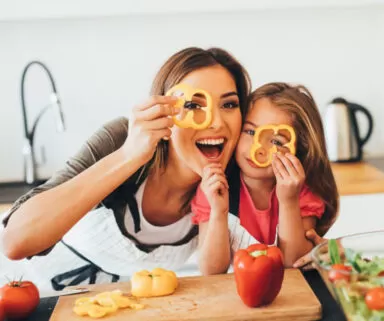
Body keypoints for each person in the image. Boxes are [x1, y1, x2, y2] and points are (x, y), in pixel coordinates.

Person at [0, 47, 251, 293]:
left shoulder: (225, 184)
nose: (216, 122)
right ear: (164, 112)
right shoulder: (122, 140)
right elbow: (15, 242)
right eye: (194, 105)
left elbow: (217, 271)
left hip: (120, 306)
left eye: (229, 105)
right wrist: (129, 156)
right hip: (33, 296)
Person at [191, 82, 339, 273]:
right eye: (251, 132)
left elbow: (294, 263)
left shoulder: (301, 190)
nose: (257, 150)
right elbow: (211, 270)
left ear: (300, 150)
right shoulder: (214, 185)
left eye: (276, 141)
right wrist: (219, 212)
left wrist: (289, 201)